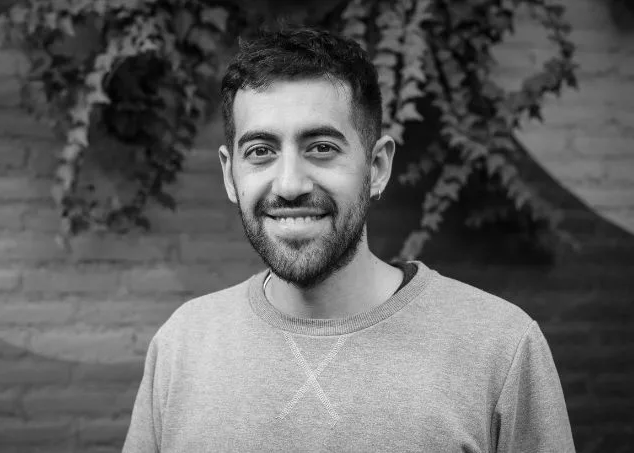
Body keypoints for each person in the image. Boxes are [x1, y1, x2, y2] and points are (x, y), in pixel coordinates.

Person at [122, 27, 575, 452]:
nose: (290, 185)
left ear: (376, 168)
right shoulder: (182, 345)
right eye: (261, 151)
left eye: (322, 148)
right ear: (229, 174)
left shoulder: (500, 347)